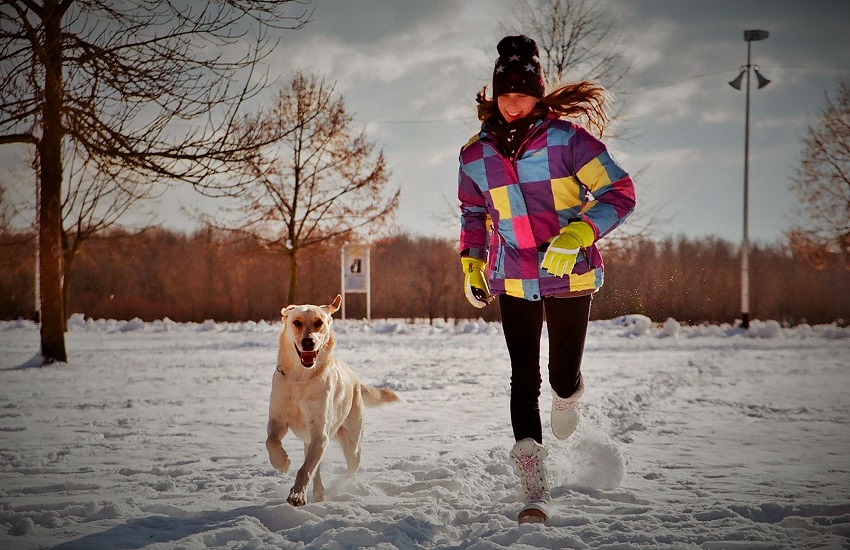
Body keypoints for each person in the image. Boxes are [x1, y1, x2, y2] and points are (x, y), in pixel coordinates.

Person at [457, 34, 635, 524]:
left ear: (537, 93)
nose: (512, 102)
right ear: (493, 94)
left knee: (558, 376)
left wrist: (577, 233)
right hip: (513, 276)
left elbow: (619, 191)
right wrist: (472, 261)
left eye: (522, 92)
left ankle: (568, 391)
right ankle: (534, 488)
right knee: (522, 377)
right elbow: (473, 211)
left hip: (569, 275)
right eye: (504, 92)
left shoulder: (567, 141)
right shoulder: (474, 155)